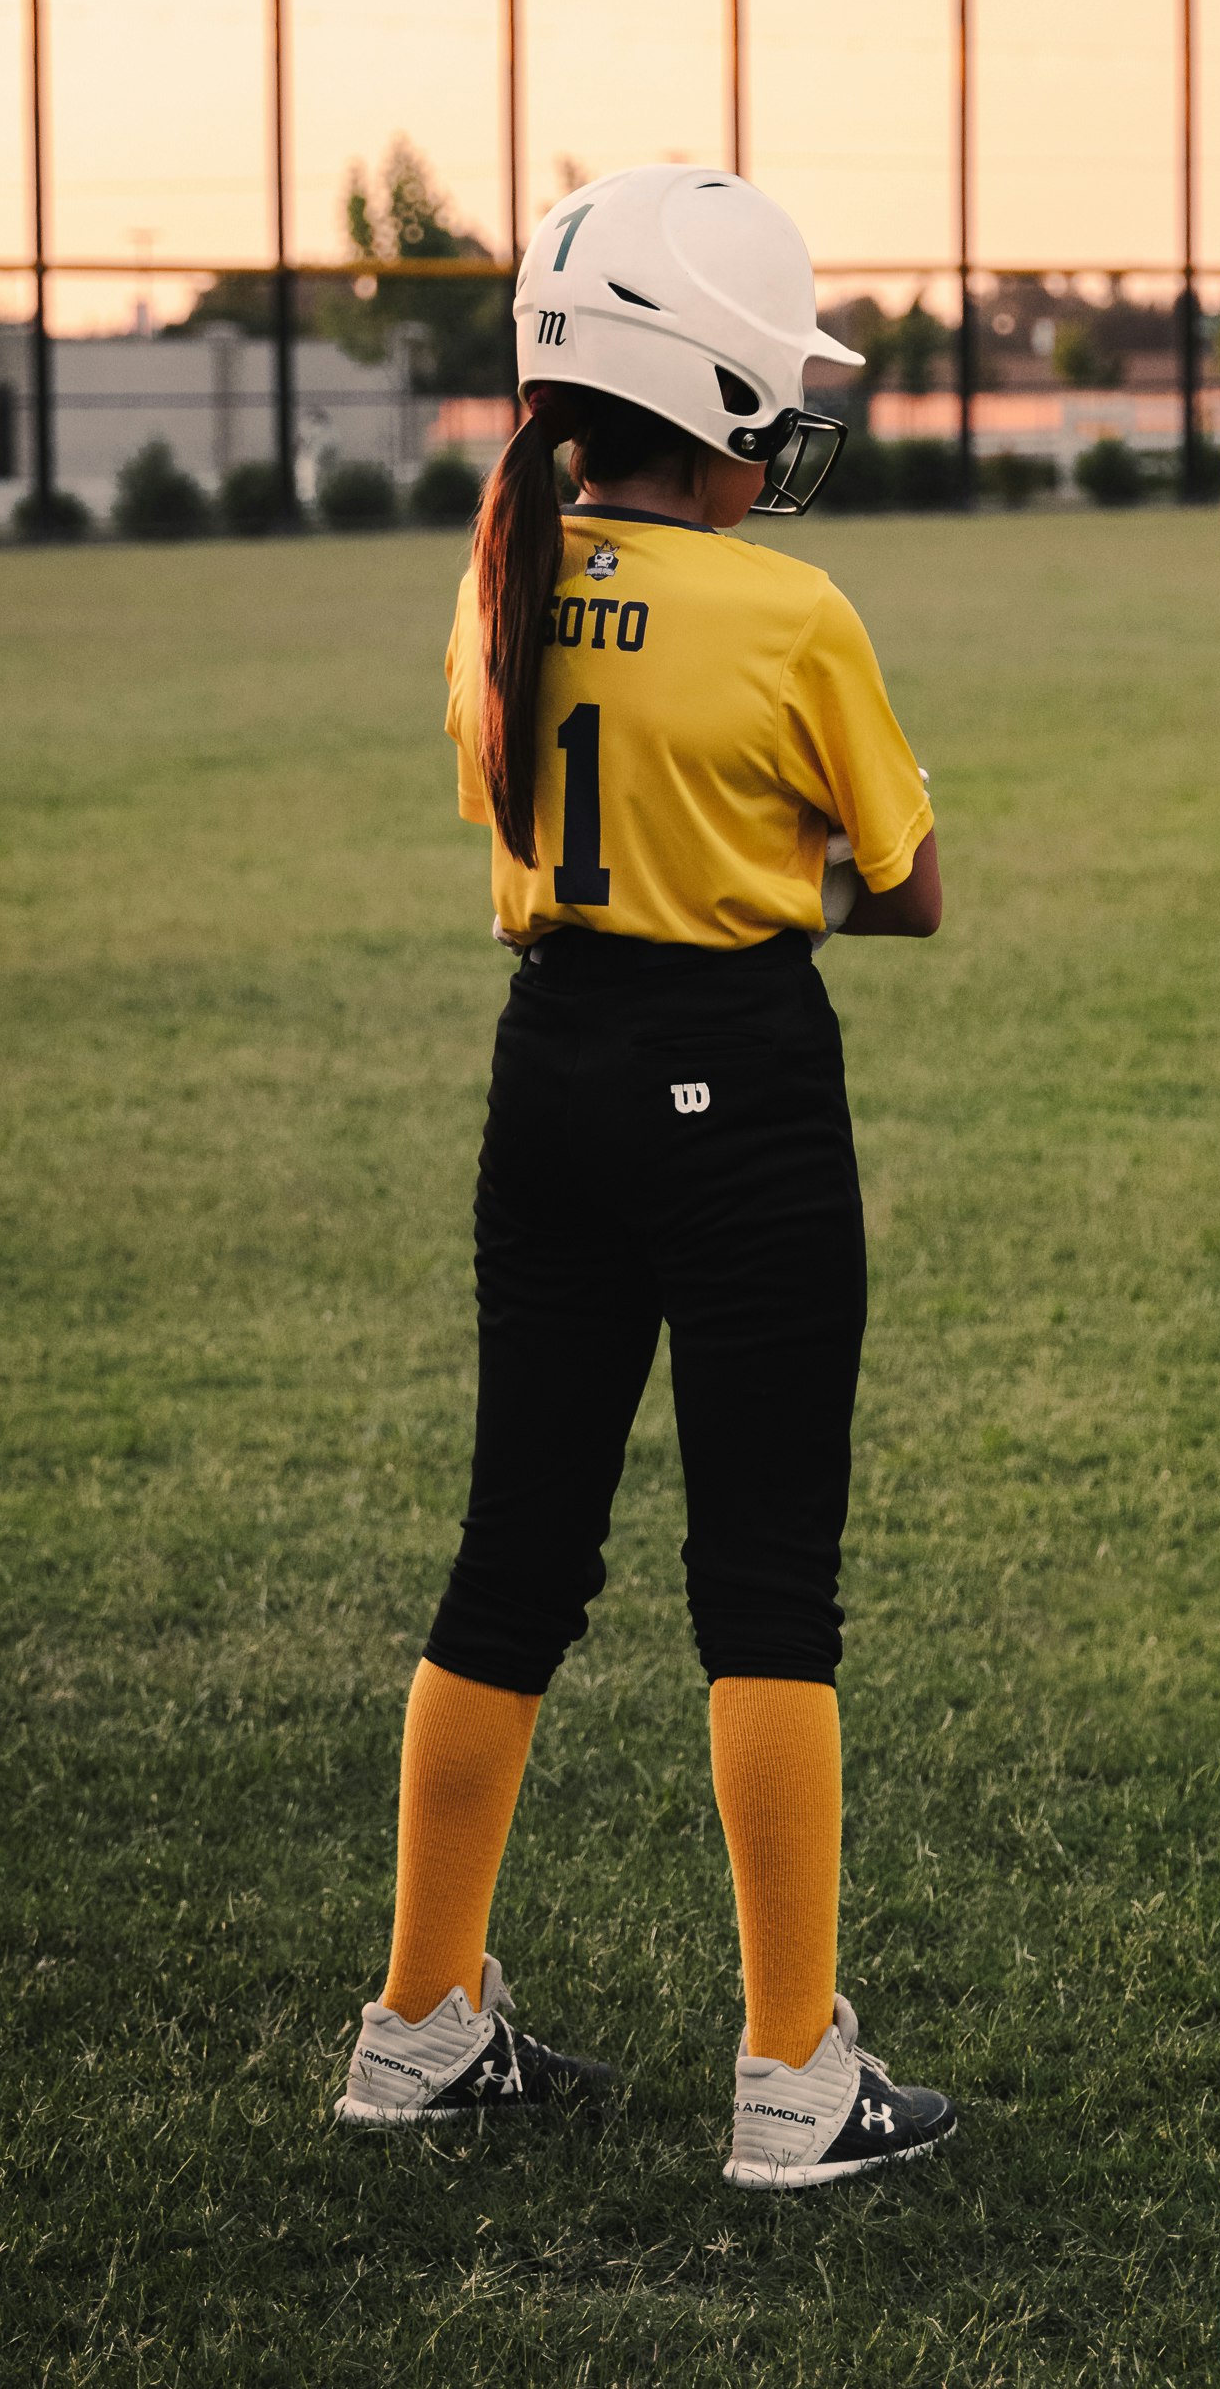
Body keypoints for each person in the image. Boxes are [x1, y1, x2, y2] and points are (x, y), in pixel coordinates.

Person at [333, 165, 958, 2191]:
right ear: (705, 384)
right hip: (739, 1080)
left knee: (515, 1556)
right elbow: (910, 887)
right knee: (766, 1577)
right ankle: (794, 2077)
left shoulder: (495, 573)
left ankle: (421, 2022)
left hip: (552, 1077)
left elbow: (508, 801)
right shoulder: (789, 607)